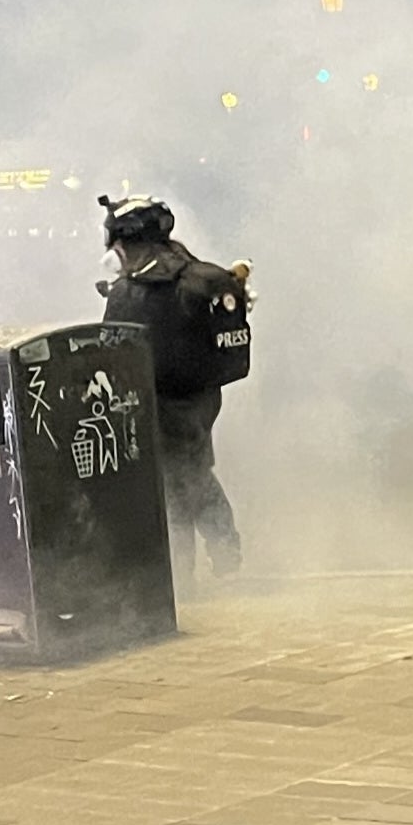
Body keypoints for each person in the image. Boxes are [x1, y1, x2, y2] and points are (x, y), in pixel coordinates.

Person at [95, 196, 250, 578]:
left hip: (159, 399)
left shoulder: (134, 287)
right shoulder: (190, 272)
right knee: (190, 474)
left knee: (180, 482)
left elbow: (111, 345)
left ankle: (188, 572)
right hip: (200, 395)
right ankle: (218, 556)